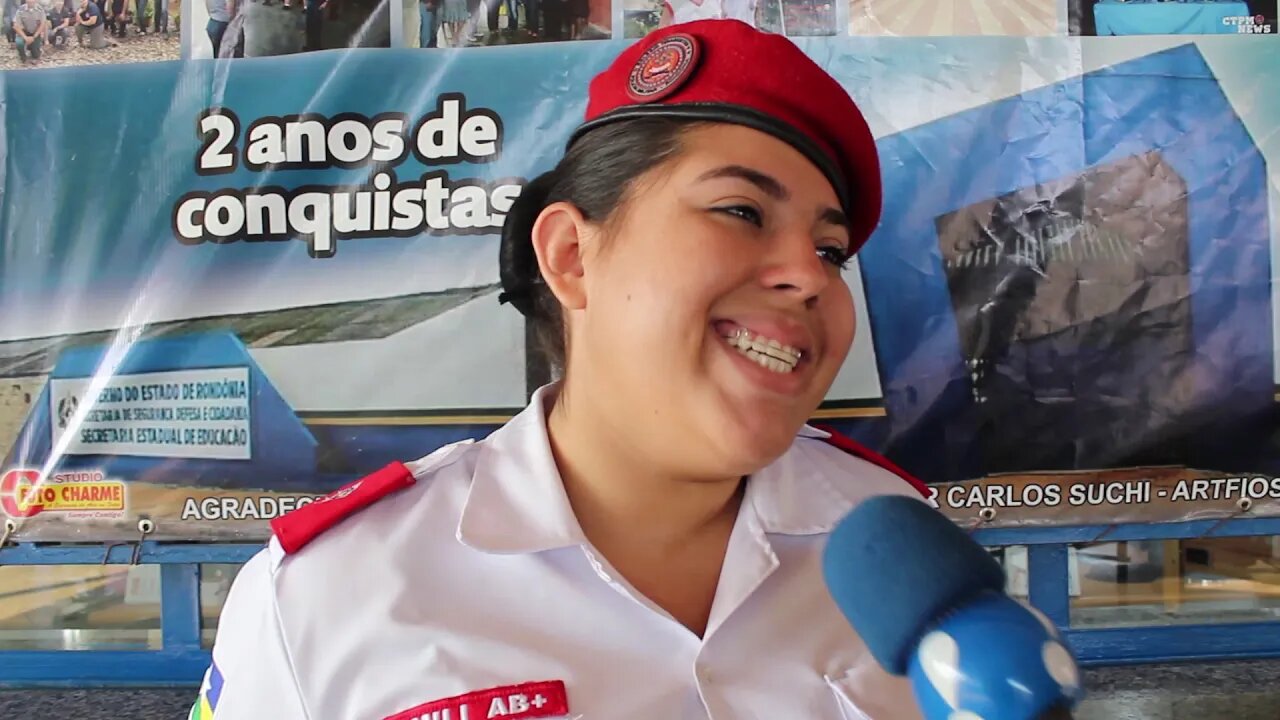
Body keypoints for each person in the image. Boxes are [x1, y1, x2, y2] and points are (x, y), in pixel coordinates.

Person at [194, 18, 932, 720]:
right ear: (573, 258)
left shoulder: (909, 554)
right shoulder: (327, 595)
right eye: (741, 211)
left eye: (831, 251)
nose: (809, 275)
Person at [11, 0, 47, 65]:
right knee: (19, 43)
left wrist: (34, 36)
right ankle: (23, 57)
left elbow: (43, 24)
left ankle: (33, 52)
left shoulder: (40, 9)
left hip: (35, 33)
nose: (31, 1)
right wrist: (25, 37)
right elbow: (16, 26)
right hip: (23, 32)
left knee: (36, 54)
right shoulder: (20, 10)